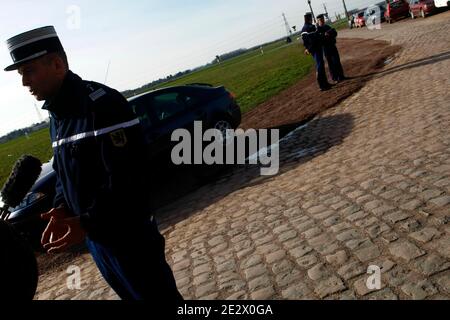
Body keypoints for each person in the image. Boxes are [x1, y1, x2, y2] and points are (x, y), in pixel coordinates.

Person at [4, 26, 183, 302]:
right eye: (21, 75)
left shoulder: (102, 105)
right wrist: (62, 208)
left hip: (130, 238)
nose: (25, 83)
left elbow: (128, 179)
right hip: (98, 241)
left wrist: (85, 222)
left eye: (29, 71)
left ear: (57, 63)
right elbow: (65, 173)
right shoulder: (57, 117)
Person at [301, 13, 332, 91]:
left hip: (313, 49)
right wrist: (310, 48)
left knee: (320, 65)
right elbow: (314, 39)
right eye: (311, 18)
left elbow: (305, 42)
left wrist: (307, 48)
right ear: (309, 18)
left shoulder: (304, 29)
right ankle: (322, 85)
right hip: (316, 49)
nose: (312, 19)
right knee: (320, 66)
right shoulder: (310, 27)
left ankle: (325, 83)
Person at [316, 14, 347, 83]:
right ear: (317, 21)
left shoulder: (327, 26)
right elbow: (319, 39)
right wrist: (324, 35)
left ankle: (341, 76)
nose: (322, 21)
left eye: (323, 19)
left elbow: (335, 33)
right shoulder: (317, 30)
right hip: (326, 48)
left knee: (337, 61)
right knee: (331, 64)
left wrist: (329, 34)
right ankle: (335, 78)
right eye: (320, 20)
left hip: (332, 46)